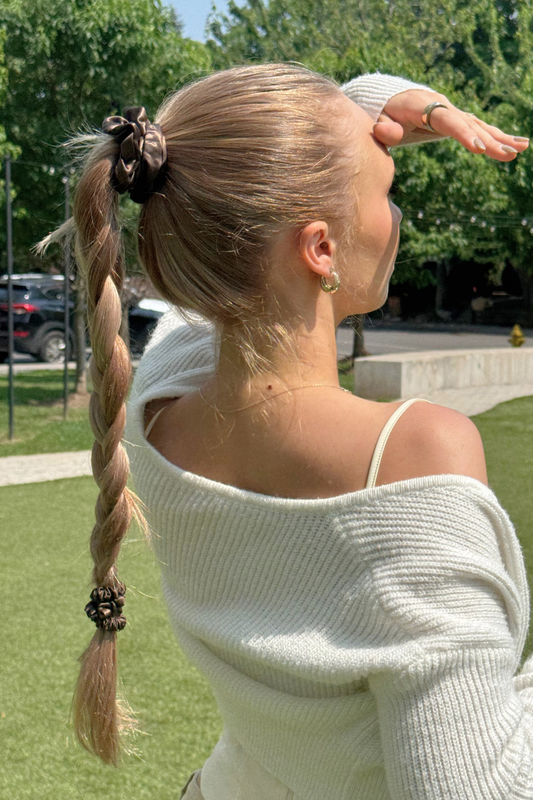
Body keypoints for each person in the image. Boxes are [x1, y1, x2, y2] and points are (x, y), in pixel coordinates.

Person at [43, 65, 533, 799]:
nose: (396, 217)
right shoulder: (412, 456)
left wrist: (363, 110)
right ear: (321, 250)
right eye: (385, 193)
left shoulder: (155, 403)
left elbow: (224, 175)